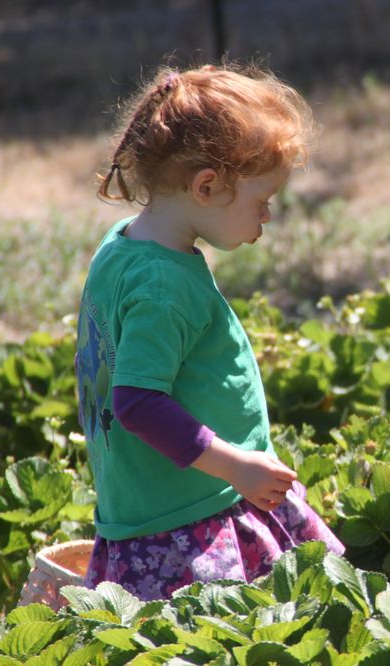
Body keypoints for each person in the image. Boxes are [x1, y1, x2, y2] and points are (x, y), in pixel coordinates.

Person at [75, 64, 343, 601]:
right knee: (225, 634)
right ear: (207, 186)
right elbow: (138, 402)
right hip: (191, 512)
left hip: (164, 495)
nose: (267, 216)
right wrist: (237, 466)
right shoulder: (163, 287)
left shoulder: (124, 244)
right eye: (261, 200)